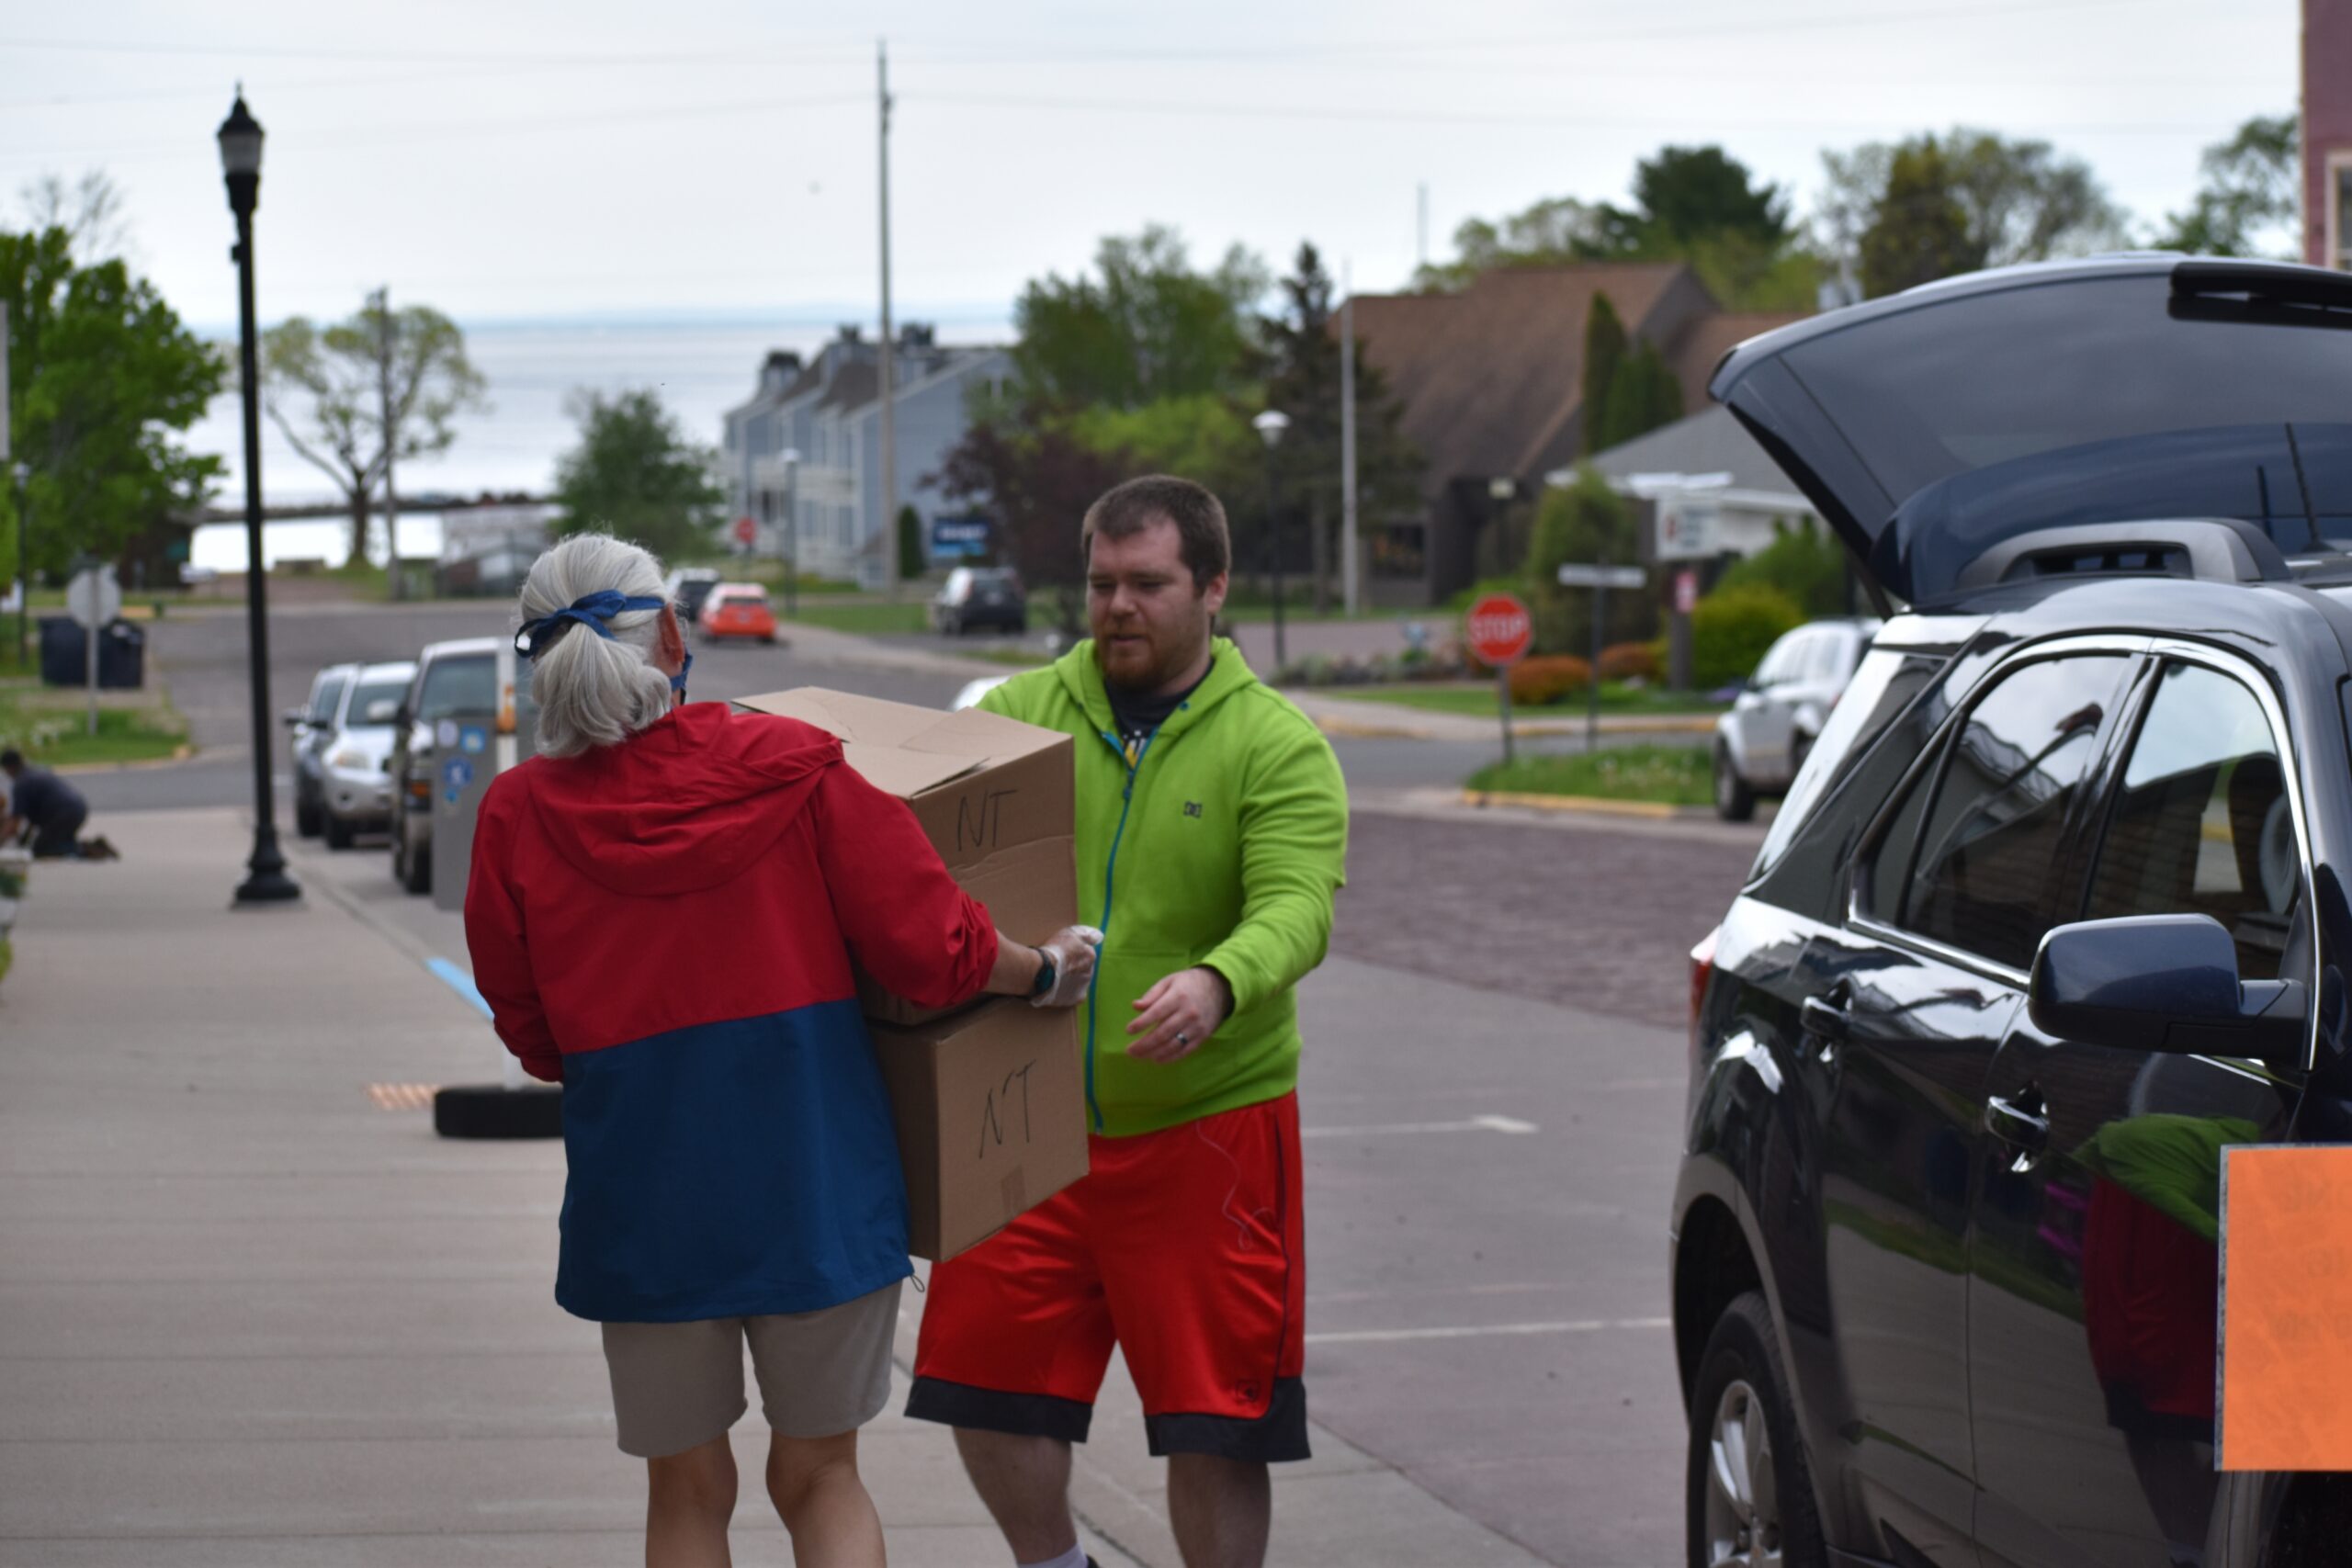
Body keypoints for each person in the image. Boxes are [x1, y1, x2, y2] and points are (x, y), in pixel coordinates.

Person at [462, 533, 1102, 1568]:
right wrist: (1042, 970)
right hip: (816, 1185)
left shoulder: (516, 818)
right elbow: (934, 951)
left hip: (645, 1201)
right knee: (821, 1477)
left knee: (685, 1490)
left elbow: (532, 1034)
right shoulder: (790, 767)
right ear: (672, 633)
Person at [907, 476, 1349, 1568]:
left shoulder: (1274, 743)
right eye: (1102, 583)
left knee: (1215, 1424)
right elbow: (915, 859)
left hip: (1208, 1131)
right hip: (1028, 1120)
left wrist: (1218, 979)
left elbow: (1296, 904)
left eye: (1148, 584)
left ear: (1213, 587)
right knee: (982, 1388)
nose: (1118, 607)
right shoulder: (1013, 720)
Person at [0, 749, 115, 860]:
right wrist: (24, 841)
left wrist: (2, 840)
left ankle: (91, 850)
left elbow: (14, 823)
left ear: (9, 767)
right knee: (56, 840)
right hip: (77, 808)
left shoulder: (22, 784)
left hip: (65, 814)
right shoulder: (35, 771)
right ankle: (88, 846)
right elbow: (32, 819)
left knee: (41, 849)